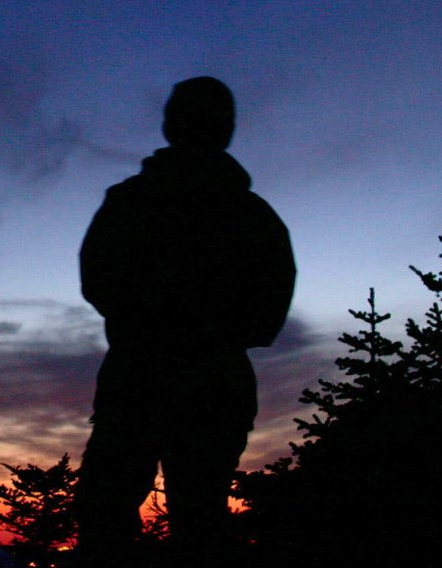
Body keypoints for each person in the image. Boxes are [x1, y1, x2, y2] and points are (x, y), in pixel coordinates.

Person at [74, 77, 296, 566]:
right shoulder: (253, 216)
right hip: (194, 383)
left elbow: (99, 281)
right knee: (191, 520)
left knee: (123, 515)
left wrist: (158, 324)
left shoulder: (134, 202)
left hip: (149, 378)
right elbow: (268, 311)